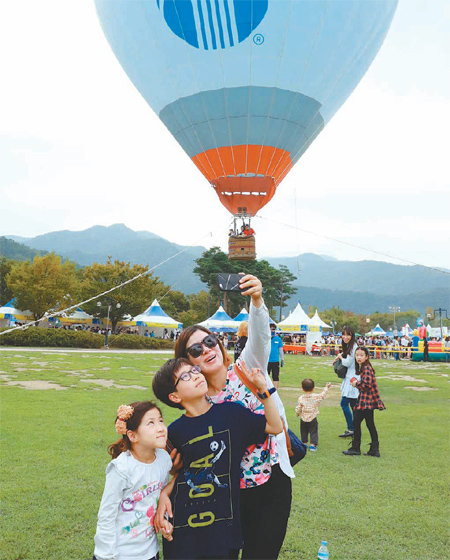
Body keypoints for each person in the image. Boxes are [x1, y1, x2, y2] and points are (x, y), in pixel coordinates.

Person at [171, 274, 294, 560]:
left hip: (270, 483)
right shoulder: (197, 400)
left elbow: (261, 336)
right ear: (187, 362)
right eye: (196, 350)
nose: (207, 350)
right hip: (224, 493)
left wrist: (257, 300)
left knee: (262, 554)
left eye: (210, 341)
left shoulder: (246, 367)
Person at [152, 358, 283, 560]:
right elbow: (183, 473)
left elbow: (275, 427)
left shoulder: (231, 413)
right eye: (185, 376)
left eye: (195, 370)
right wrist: (163, 495)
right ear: (174, 396)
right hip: (183, 530)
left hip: (223, 529)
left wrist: (264, 391)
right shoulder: (173, 433)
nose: (196, 375)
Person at [93, 401, 173, 560]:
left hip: (150, 552)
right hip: (120, 554)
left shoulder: (163, 459)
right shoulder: (122, 468)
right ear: (132, 435)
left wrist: (162, 520)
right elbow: (106, 514)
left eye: (161, 421)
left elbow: (157, 497)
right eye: (151, 423)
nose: (160, 427)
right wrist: (107, 555)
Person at [343, 347, 385, 457]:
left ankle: (356, 448)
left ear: (366, 356)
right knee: (369, 424)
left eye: (361, 355)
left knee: (357, 423)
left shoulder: (366, 368)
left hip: (366, 401)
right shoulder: (365, 367)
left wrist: (356, 384)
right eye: (357, 355)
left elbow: (367, 385)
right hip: (366, 401)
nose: (359, 357)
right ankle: (374, 449)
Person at [333, 326, 359, 438]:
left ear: (352, 335)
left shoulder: (353, 346)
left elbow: (348, 363)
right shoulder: (350, 345)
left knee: (344, 404)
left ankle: (351, 428)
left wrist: (339, 356)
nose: (345, 337)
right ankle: (355, 428)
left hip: (352, 378)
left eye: (348, 334)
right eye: (343, 334)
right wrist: (340, 357)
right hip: (351, 376)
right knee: (353, 405)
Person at [295, 379, 331, 452]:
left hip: (303, 418)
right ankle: (313, 445)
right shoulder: (315, 397)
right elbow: (323, 395)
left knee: (303, 431)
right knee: (313, 431)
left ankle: (304, 443)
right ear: (313, 388)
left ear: (302, 388)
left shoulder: (301, 398)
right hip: (312, 418)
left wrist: (297, 413)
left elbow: (299, 407)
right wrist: (326, 387)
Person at [267, 324, 284, 389]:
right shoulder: (265, 338)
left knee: (275, 376)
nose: (272, 330)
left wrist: (282, 359)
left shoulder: (278, 339)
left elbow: (280, 350)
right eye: (270, 329)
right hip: (266, 361)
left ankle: (275, 391)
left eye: (273, 329)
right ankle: (266, 389)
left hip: (275, 361)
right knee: (266, 376)